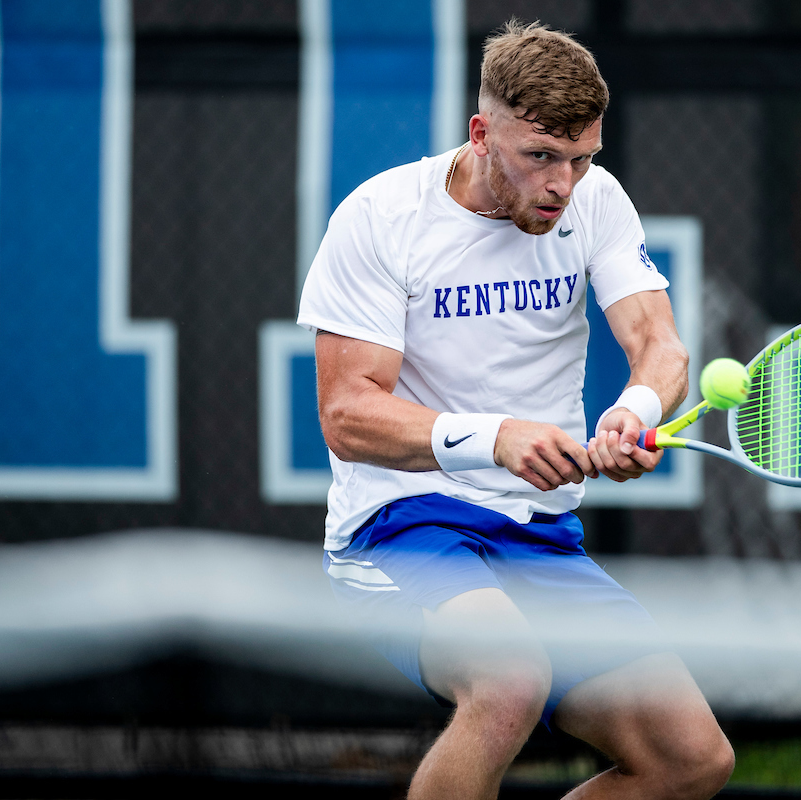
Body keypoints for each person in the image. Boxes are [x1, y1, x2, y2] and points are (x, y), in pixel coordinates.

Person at [297, 20, 734, 800]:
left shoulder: (594, 202)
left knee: (690, 758)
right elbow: (347, 415)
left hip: (538, 534)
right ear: (481, 134)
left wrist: (633, 411)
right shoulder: (382, 217)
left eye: (582, 157)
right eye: (541, 157)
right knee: (509, 682)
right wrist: (493, 440)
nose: (562, 184)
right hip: (402, 524)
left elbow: (661, 348)